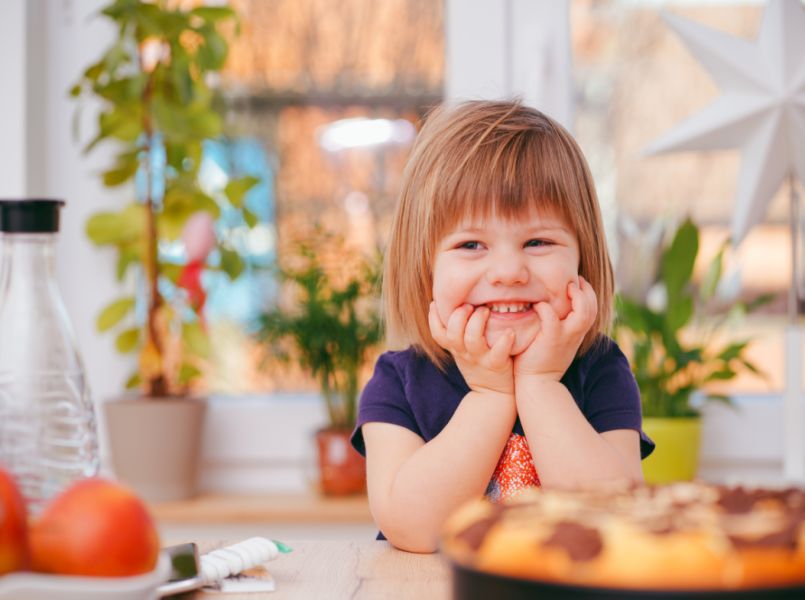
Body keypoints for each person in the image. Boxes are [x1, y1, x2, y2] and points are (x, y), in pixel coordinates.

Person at [350, 100, 654, 553]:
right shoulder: (398, 382)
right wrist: (491, 395)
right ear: (424, 268)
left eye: (538, 241)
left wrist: (541, 385)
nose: (508, 270)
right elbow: (412, 528)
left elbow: (615, 519)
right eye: (471, 244)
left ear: (582, 260)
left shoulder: (602, 369)